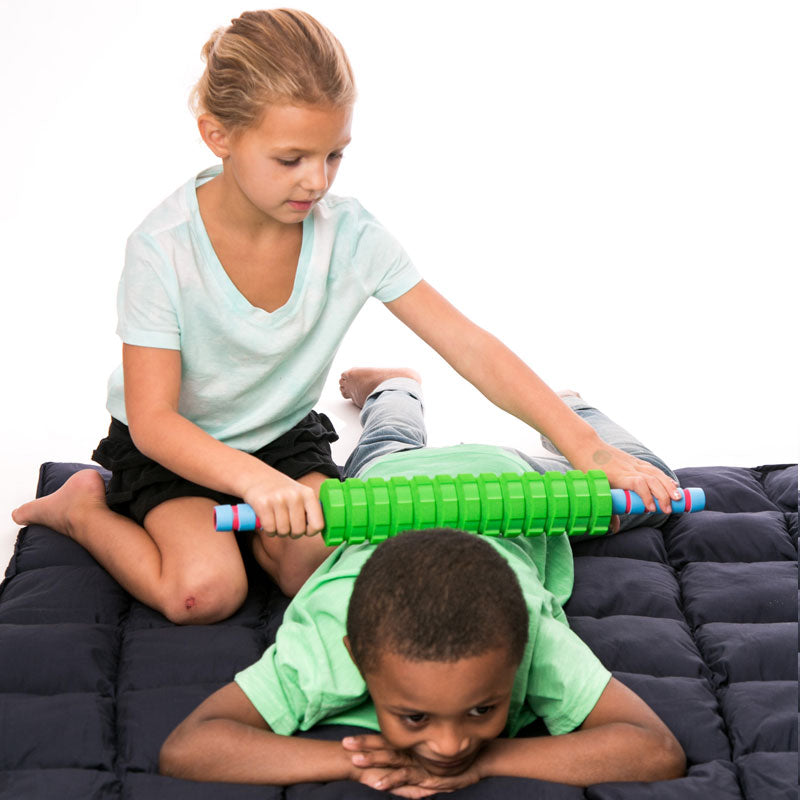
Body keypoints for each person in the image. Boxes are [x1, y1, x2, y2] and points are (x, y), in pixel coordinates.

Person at [11, 10, 682, 625]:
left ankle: (364, 422)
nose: (317, 181)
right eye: (291, 159)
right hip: (177, 449)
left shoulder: (351, 235)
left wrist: (587, 448)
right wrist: (252, 482)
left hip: (279, 437)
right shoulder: (162, 249)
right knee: (203, 595)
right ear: (218, 135)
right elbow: (155, 421)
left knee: (317, 573)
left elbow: (469, 346)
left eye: (334, 154)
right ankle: (80, 510)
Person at [158, 369, 686, 793]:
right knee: (387, 445)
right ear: (355, 652)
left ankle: (568, 410)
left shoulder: (525, 630)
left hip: (509, 480)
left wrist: (491, 762)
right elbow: (189, 748)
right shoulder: (326, 640)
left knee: (652, 483)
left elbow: (656, 751)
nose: (451, 746)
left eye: (483, 709)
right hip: (393, 487)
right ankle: (393, 386)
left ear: (519, 647)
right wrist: (351, 764)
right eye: (413, 717)